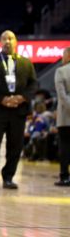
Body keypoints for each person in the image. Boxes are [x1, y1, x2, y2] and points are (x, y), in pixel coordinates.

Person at [0, 30, 37, 190]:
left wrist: (22, 97)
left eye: (11, 38)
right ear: (0, 42)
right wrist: (2, 99)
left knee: (16, 145)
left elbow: (34, 84)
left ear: (16, 42)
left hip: (18, 111)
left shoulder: (26, 63)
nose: (7, 41)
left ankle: (9, 177)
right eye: (4, 38)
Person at [54, 47, 70, 186]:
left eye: (63, 55)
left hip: (65, 117)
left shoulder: (61, 71)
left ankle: (65, 176)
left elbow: (62, 95)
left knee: (64, 147)